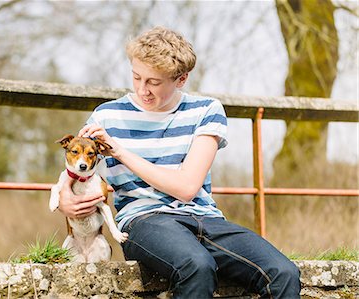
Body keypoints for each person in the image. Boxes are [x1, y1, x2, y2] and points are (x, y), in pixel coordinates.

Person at [58, 26, 301, 298]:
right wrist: (64, 198)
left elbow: (186, 187)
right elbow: (74, 169)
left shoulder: (206, 111)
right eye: (136, 77)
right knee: (196, 266)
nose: (142, 90)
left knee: (284, 273)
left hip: (205, 218)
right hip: (143, 220)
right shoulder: (106, 116)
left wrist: (121, 152)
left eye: (154, 82)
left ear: (181, 79)